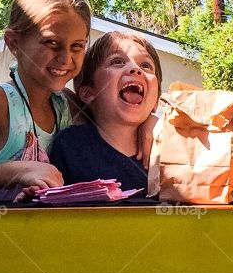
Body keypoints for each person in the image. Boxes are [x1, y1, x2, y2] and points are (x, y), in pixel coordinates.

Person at [0, 0, 91, 199]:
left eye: (77, 46)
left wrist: (149, 127)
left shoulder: (67, 106)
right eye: (51, 43)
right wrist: (20, 170)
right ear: (14, 43)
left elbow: (111, 133)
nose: (65, 59)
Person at [47, 30, 162, 193]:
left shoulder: (169, 144)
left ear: (156, 100)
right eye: (117, 61)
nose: (135, 69)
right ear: (88, 93)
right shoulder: (71, 146)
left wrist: (160, 125)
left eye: (145, 65)